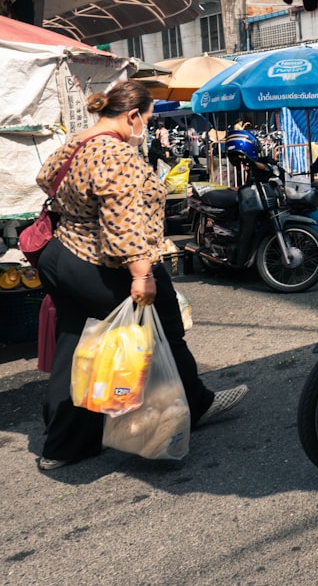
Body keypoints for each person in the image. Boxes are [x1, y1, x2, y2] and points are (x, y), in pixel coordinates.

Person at [33, 81, 247, 472]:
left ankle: (62, 446)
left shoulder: (75, 143)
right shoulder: (118, 155)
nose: (146, 128)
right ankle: (180, 415)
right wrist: (142, 274)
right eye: (147, 119)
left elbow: (46, 179)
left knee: (74, 342)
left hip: (60, 255)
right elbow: (124, 222)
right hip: (103, 262)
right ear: (132, 115)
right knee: (162, 331)